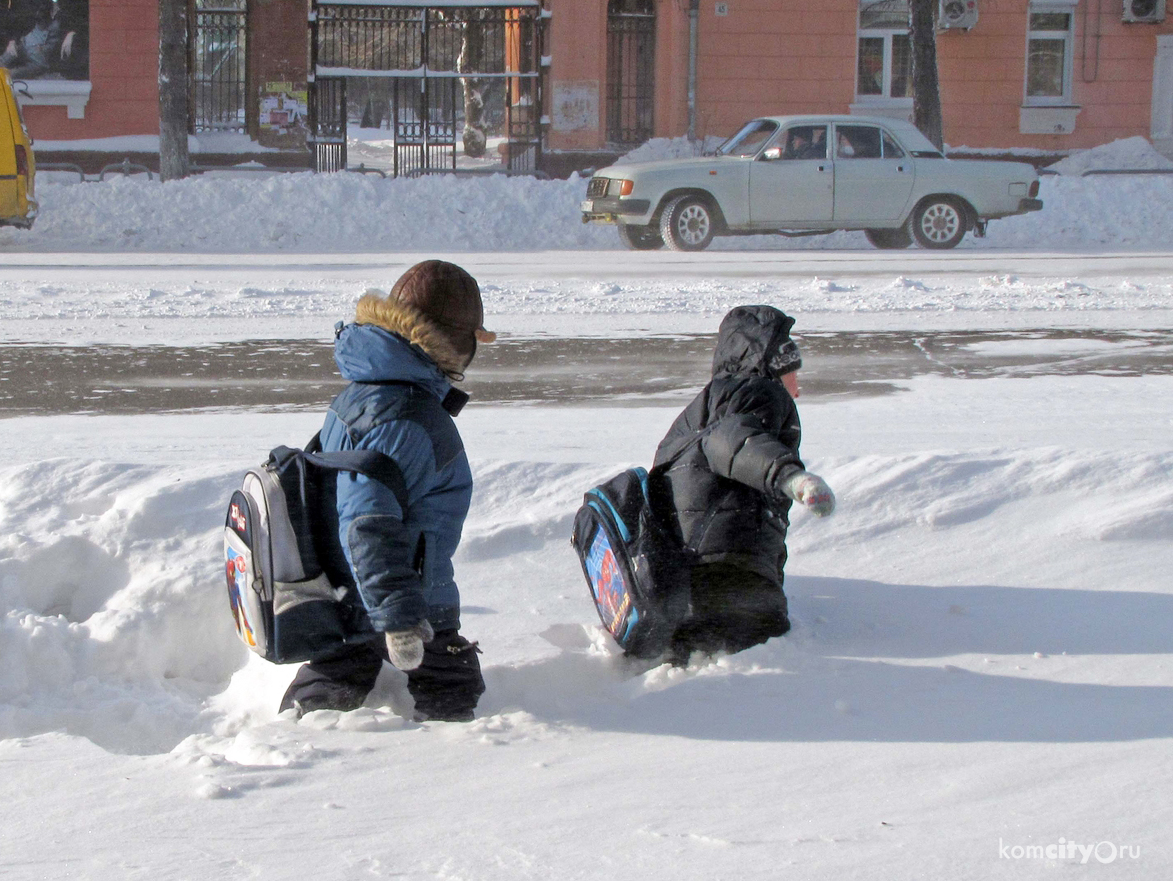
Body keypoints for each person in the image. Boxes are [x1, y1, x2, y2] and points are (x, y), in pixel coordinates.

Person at [279, 260, 495, 722]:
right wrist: (399, 618)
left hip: (351, 590)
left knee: (343, 664)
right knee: (453, 681)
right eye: (474, 339)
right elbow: (367, 523)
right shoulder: (407, 419)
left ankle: (299, 728)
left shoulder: (367, 389)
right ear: (456, 341)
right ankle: (459, 763)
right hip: (409, 595)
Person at [651, 304, 835, 664]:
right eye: (793, 375)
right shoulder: (759, 393)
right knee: (758, 659)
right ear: (772, 368)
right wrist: (792, 477)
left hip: (687, 570)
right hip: (726, 571)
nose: (796, 390)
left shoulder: (711, 401)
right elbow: (730, 441)